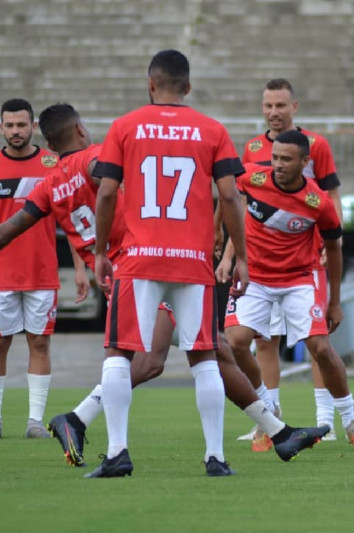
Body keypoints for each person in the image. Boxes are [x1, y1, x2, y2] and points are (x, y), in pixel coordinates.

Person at [0, 103, 327, 469]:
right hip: (145, 268)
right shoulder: (95, 159)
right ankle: (78, 419)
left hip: (124, 274)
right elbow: (111, 181)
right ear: (80, 131)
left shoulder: (49, 183)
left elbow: (1, 231)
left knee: (215, 348)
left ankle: (280, 434)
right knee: (155, 362)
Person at [90, 49, 251, 478]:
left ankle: (117, 453)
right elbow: (231, 197)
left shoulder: (124, 127)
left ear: (150, 83)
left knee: (118, 354)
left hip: (139, 259)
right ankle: (215, 457)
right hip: (193, 262)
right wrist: (242, 258)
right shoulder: (212, 130)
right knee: (203, 357)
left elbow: (106, 195)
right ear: (188, 87)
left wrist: (100, 251)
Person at [219, 130, 354, 451]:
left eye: (286, 159)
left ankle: (351, 421)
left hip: (299, 279)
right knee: (234, 343)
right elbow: (225, 193)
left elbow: (334, 250)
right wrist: (223, 246)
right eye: (274, 157)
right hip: (256, 278)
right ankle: (269, 411)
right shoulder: (251, 178)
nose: (277, 164)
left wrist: (334, 302)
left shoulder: (318, 203)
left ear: (305, 162)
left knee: (320, 348)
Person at [238, 78, 343, 446]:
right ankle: (270, 417)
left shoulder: (316, 146)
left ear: (294, 107)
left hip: (306, 259)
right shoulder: (251, 148)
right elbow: (237, 196)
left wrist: (334, 237)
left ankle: (324, 419)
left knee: (315, 341)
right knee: (264, 341)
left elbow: (329, 195)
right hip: (262, 261)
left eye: (280, 105)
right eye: (268, 105)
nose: (273, 112)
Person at [0, 98, 72, 440]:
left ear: (33, 126)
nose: (15, 131)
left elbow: (71, 217)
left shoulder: (54, 163)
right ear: (1, 128)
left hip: (42, 274)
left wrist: (81, 269)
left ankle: (35, 422)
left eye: (21, 125)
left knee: (40, 344)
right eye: (9, 125)